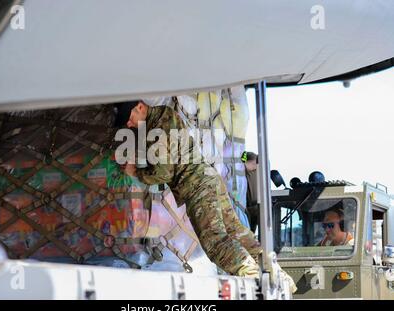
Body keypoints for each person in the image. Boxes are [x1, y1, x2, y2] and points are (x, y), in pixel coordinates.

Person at [115, 100, 297, 292]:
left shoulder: (157, 129)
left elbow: (164, 173)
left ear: (141, 107)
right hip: (209, 179)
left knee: (214, 241)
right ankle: (278, 275)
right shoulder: (166, 115)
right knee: (237, 232)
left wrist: (136, 171)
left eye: (129, 119)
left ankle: (252, 277)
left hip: (196, 186)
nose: (128, 125)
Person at [243, 152, 259, 233]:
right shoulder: (243, 171)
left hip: (255, 207)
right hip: (247, 208)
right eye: (253, 164)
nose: (254, 166)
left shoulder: (256, 171)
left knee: (252, 231)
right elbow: (244, 155)